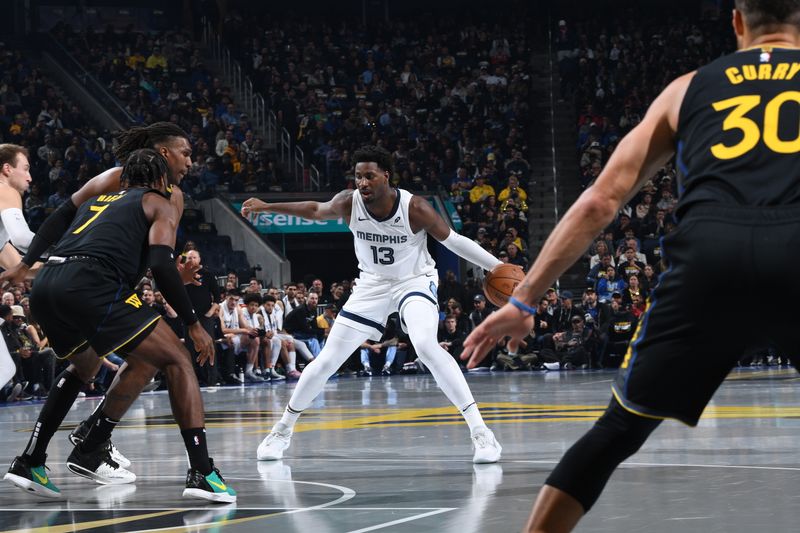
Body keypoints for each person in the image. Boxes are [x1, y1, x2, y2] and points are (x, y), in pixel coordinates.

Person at [461, 2, 800, 530]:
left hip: (709, 259)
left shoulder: (687, 88)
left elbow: (600, 201)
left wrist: (524, 299)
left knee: (618, 429)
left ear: (737, 22)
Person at [242, 144, 503, 464]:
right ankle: (282, 431)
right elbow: (314, 210)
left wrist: (498, 268)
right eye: (357, 176)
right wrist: (267, 205)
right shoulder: (348, 203)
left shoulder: (414, 207)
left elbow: (455, 241)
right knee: (327, 360)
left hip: (414, 281)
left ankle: (481, 432)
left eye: (369, 176)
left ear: (386, 176)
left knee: (425, 345)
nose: (362, 182)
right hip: (372, 286)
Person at [5, 149, 235, 503]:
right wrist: (193, 322)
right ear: (160, 179)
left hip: (48, 283)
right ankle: (202, 471)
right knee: (177, 358)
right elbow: (159, 262)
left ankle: (34, 459)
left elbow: (88, 236)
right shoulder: (159, 201)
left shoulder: (97, 200)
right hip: (91, 282)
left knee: (87, 364)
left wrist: (26, 265)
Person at [0, 144, 36, 399]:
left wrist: (69, 261)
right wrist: (75, 244)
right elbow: (23, 239)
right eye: (25, 169)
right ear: (7, 169)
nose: (29, 177)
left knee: (4, 369)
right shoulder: (5, 189)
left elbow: (23, 268)